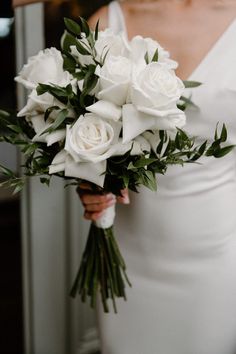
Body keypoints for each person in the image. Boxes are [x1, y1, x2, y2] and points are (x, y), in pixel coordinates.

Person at [78, 0, 236, 353]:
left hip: (218, 255)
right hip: (129, 257)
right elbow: (82, 131)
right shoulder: (108, 21)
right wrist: (90, 181)